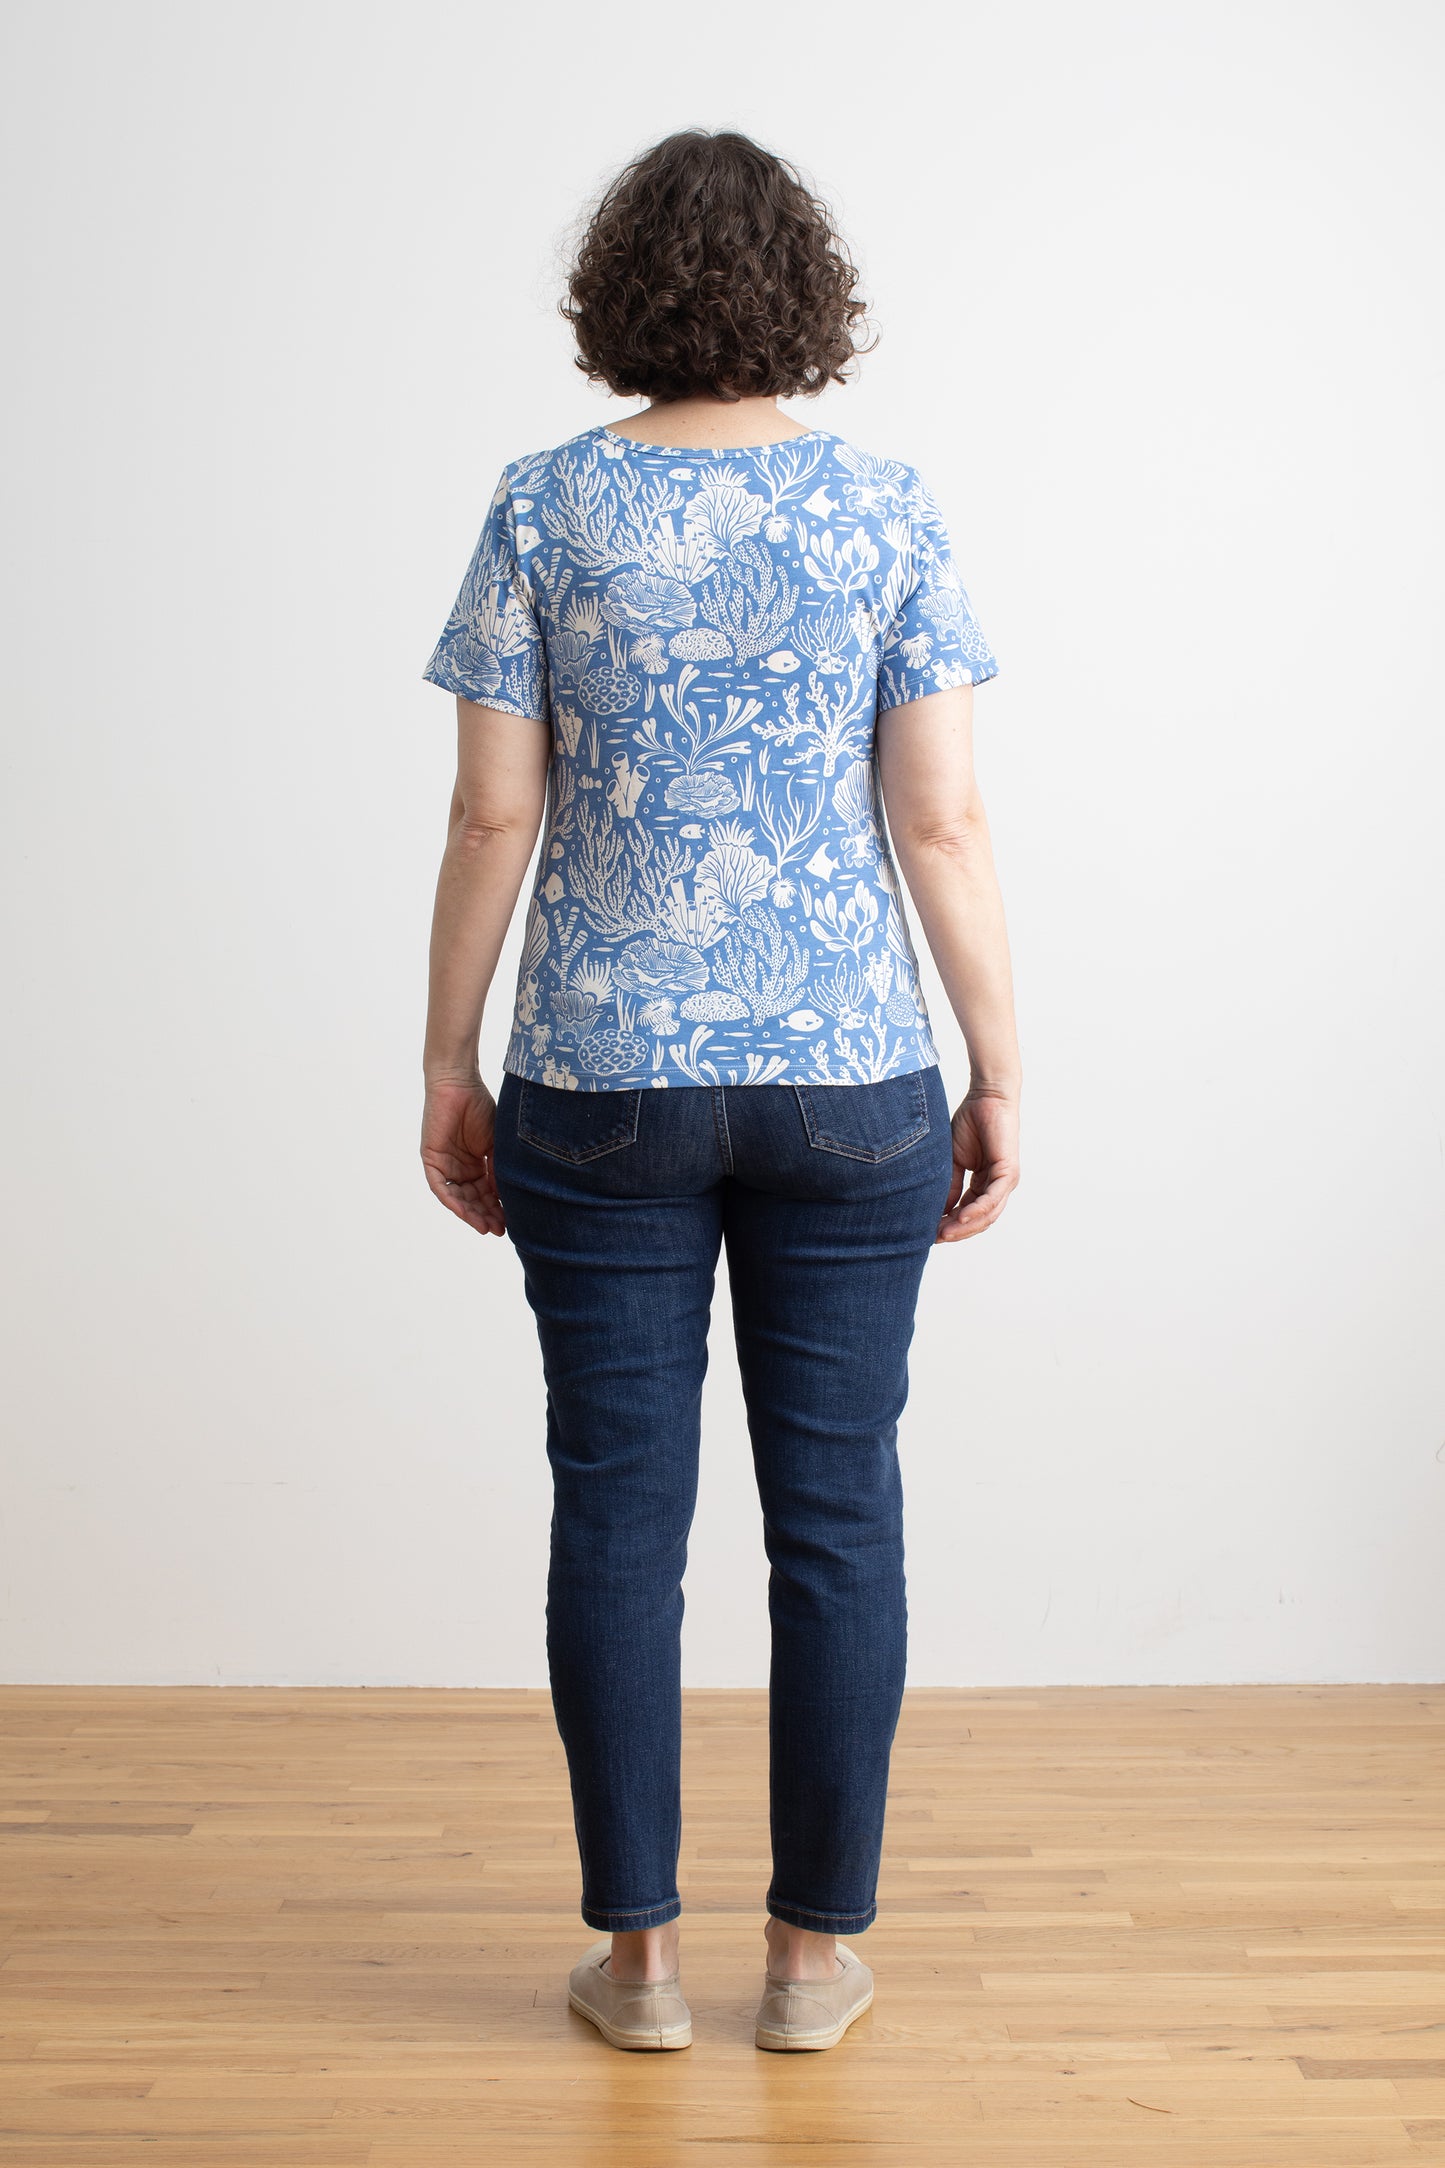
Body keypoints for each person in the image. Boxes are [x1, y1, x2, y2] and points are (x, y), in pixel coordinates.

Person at [419, 128, 1021, 2053]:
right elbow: (939, 817)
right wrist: (999, 1070)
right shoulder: (881, 508)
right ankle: (810, 1962)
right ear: (805, 297)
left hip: (599, 1074)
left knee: (617, 1513)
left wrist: (445, 1058)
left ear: (616, 294)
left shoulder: (545, 505)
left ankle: (641, 1967)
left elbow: (492, 812)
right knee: (835, 1516)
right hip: (848, 1078)